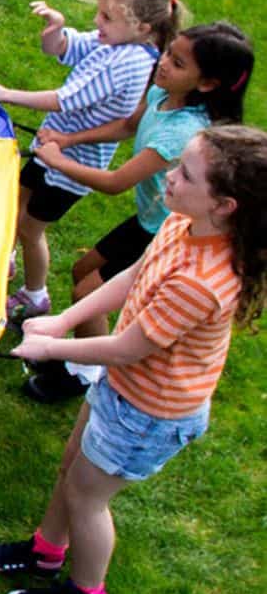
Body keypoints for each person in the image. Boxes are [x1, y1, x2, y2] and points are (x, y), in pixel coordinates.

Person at [0, 126, 267, 594]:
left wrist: (52, 346)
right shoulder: (182, 223)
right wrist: (64, 319)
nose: (169, 177)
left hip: (150, 411)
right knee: (72, 467)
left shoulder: (203, 283)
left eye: (185, 175)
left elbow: (131, 348)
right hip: (126, 388)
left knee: (88, 497)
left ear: (225, 206)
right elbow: (135, 276)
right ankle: (46, 550)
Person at [22, 24, 253, 402]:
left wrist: (57, 160)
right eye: (168, 53)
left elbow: (115, 182)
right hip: (153, 220)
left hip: (168, 230)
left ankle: (80, 374)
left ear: (207, 84)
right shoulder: (164, 91)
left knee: (87, 288)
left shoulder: (183, 133)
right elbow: (129, 126)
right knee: (83, 273)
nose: (162, 64)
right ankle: (79, 356)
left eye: (177, 63)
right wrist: (69, 140)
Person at [0, 0, 178, 323]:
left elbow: (65, 100)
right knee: (16, 203)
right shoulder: (113, 43)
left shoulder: (128, 62)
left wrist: (5, 94)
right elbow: (62, 48)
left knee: (31, 228)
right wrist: (55, 28)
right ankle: (1, 261)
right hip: (51, 150)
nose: (96, 23)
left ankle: (35, 294)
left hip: (71, 170)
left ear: (143, 27)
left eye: (106, 18)